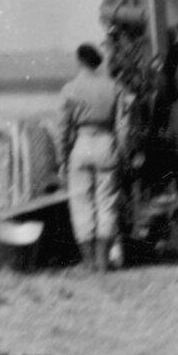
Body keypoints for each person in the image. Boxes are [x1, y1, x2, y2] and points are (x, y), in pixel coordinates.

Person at [59, 42, 126, 273]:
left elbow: (63, 128)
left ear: (79, 61)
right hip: (107, 143)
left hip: (81, 144)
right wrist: (122, 152)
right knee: (106, 203)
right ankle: (103, 261)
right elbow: (122, 126)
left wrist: (62, 158)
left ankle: (88, 263)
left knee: (81, 204)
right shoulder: (114, 86)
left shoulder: (70, 89)